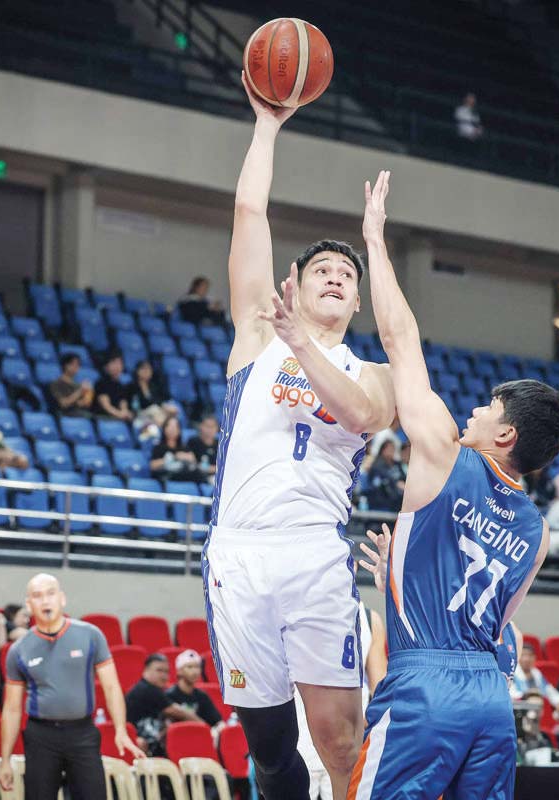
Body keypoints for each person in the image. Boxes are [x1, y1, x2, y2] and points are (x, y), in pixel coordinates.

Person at [347, 171, 559, 799]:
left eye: (488, 408)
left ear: (505, 436)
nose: (474, 411)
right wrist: (404, 571)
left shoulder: (447, 452)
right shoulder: (539, 530)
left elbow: (400, 340)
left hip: (426, 684)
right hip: (490, 697)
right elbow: (497, 620)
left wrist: (375, 239)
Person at [205, 83, 397, 800]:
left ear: (354, 301)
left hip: (315, 551)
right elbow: (249, 212)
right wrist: (265, 125)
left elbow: (361, 416)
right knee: (271, 746)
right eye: (323, 268)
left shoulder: (370, 369)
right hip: (241, 549)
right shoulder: (257, 332)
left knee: (339, 737)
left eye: (347, 276)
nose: (335, 277)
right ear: (301, 283)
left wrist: (303, 345)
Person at [0, 574, 144, 800]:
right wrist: (5, 759)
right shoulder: (19, 649)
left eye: (51, 593)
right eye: (37, 596)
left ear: (62, 598)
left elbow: (112, 687)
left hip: (83, 733)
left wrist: (121, 730)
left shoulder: (90, 635)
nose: (45, 601)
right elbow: (11, 708)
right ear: (29, 605)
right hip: (41, 736)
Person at [294, 601, 387, 800]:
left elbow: (381, 694)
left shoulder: (369, 619)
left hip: (348, 752)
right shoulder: (293, 606)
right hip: (298, 747)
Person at [125, 654, 203, 757]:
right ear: (145, 671)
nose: (164, 675)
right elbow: (178, 712)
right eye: (159, 670)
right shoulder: (147, 689)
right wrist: (203, 727)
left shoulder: (153, 689)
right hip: (139, 747)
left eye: (166, 672)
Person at [166, 651, 224, 737]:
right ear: (179, 671)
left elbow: (217, 721)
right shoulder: (169, 695)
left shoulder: (202, 696)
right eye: (189, 667)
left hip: (201, 738)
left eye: (197, 667)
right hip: (180, 738)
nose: (195, 671)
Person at [129, 360, 178, 443]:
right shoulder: (132, 386)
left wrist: (165, 407)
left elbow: (160, 399)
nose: (146, 372)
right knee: (155, 410)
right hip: (141, 413)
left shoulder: (154, 386)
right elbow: (135, 404)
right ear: (137, 371)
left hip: (155, 413)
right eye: (143, 369)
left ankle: (161, 431)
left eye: (149, 369)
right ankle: (161, 430)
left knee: (173, 412)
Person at [510, 644, 559, 716]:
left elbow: (549, 690)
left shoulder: (537, 673)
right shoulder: (512, 673)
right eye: (523, 655)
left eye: (530, 655)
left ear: (534, 658)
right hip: (519, 712)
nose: (527, 659)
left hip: (539, 708)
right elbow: (511, 695)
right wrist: (528, 694)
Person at [149, 416, 200, 482]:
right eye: (169, 426)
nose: (172, 429)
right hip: (168, 475)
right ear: (164, 429)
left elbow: (193, 460)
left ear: (179, 430)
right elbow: (152, 466)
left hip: (183, 474)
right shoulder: (159, 447)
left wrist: (184, 456)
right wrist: (171, 458)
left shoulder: (184, 447)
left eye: (175, 427)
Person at [49, 353, 96, 419]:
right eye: (73, 364)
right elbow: (64, 404)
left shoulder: (78, 384)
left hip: (80, 412)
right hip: (65, 414)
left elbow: (82, 403)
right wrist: (80, 391)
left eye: (78, 365)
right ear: (65, 365)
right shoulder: (56, 384)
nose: (76, 367)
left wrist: (88, 396)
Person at [365, 440, 407, 512]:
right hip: (381, 500)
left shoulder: (397, 464)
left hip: (397, 499)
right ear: (383, 450)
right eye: (389, 448)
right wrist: (397, 483)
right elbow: (385, 476)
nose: (392, 451)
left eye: (393, 448)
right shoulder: (377, 464)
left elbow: (404, 477)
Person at [93, 351, 133, 422]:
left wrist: (125, 412)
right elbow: (106, 406)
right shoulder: (101, 383)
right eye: (114, 363)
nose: (117, 366)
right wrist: (119, 414)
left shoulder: (120, 385)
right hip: (104, 417)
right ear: (106, 366)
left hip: (117, 417)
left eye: (120, 363)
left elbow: (123, 402)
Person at [186, 415, 219, 481]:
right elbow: (192, 462)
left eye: (212, 427)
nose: (210, 429)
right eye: (207, 426)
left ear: (217, 428)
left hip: (217, 475)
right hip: (200, 476)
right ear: (201, 426)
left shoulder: (220, 444)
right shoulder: (193, 442)